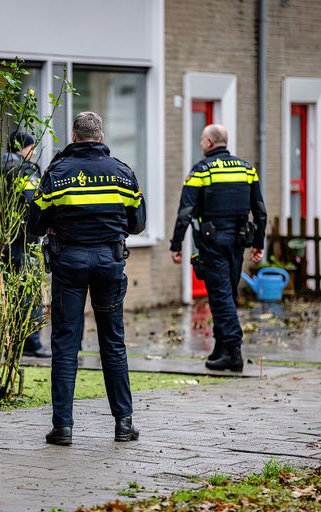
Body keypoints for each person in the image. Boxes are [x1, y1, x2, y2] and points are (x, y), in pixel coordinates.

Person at [28, 112, 146, 445]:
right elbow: (138, 223)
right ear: (101, 135)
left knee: (65, 345)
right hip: (110, 262)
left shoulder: (57, 173)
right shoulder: (123, 173)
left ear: (75, 135)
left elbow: (35, 224)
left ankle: (62, 427)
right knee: (113, 343)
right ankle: (124, 424)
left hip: (69, 264)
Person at [169, 124, 267, 372]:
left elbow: (185, 212)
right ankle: (221, 349)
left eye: (202, 139)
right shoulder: (247, 170)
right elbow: (260, 211)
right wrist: (258, 243)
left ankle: (233, 351)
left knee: (221, 296)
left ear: (210, 143)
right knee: (226, 294)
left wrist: (176, 244)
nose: (201, 143)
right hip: (238, 242)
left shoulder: (201, 171)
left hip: (212, 243)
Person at [0, 130, 52, 358]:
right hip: (25, 238)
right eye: (32, 147)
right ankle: (32, 342)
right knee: (29, 290)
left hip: (4, 239)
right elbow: (35, 203)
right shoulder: (25, 171)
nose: (35, 151)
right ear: (24, 148)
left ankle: (13, 340)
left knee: (10, 291)